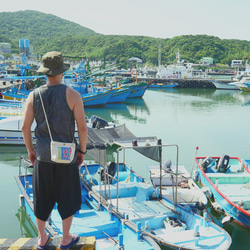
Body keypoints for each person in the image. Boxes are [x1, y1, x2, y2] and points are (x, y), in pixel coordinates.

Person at [22, 51, 88, 249]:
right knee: (67, 196)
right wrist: (82, 151)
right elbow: (82, 128)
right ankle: (66, 237)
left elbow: (25, 127)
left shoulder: (33, 95)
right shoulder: (73, 95)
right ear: (62, 71)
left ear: (45, 72)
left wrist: (31, 150)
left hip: (42, 156)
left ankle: (42, 237)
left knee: (41, 198)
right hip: (67, 157)